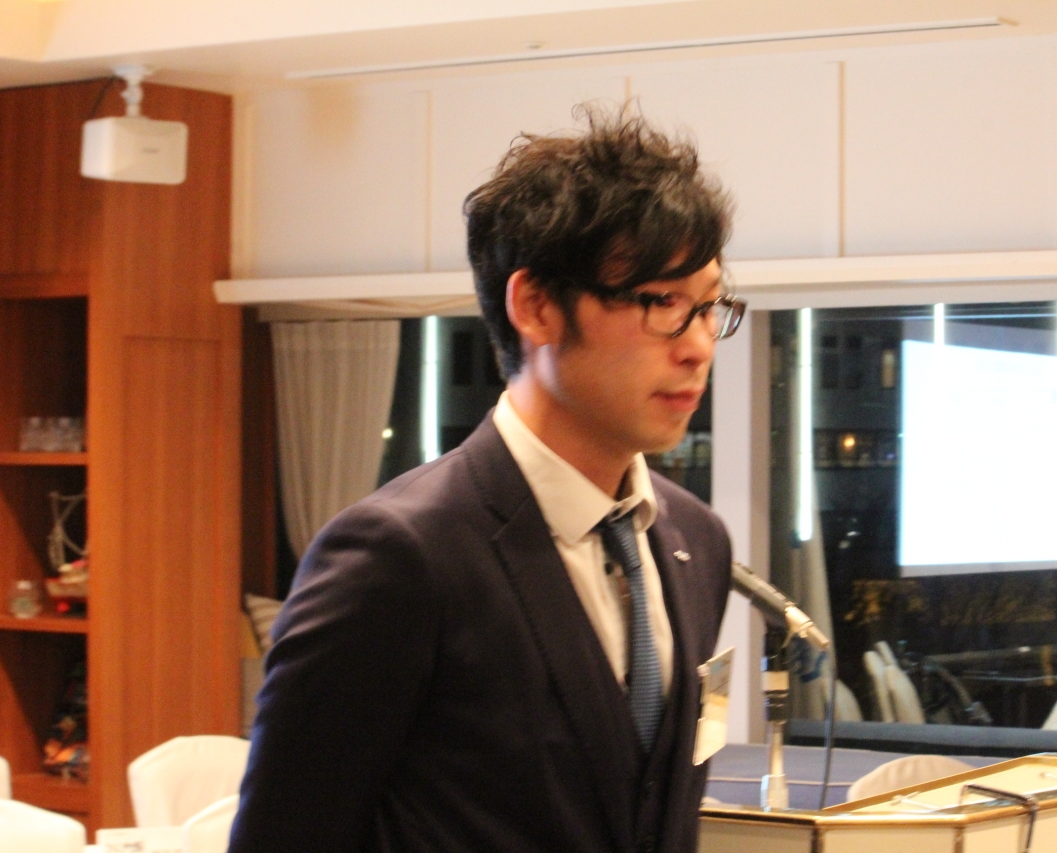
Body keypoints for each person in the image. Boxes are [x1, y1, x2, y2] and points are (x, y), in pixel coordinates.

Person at [228, 105, 746, 853]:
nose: (698, 345)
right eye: (662, 303)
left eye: (709, 307)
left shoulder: (696, 538)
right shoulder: (401, 555)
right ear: (536, 306)